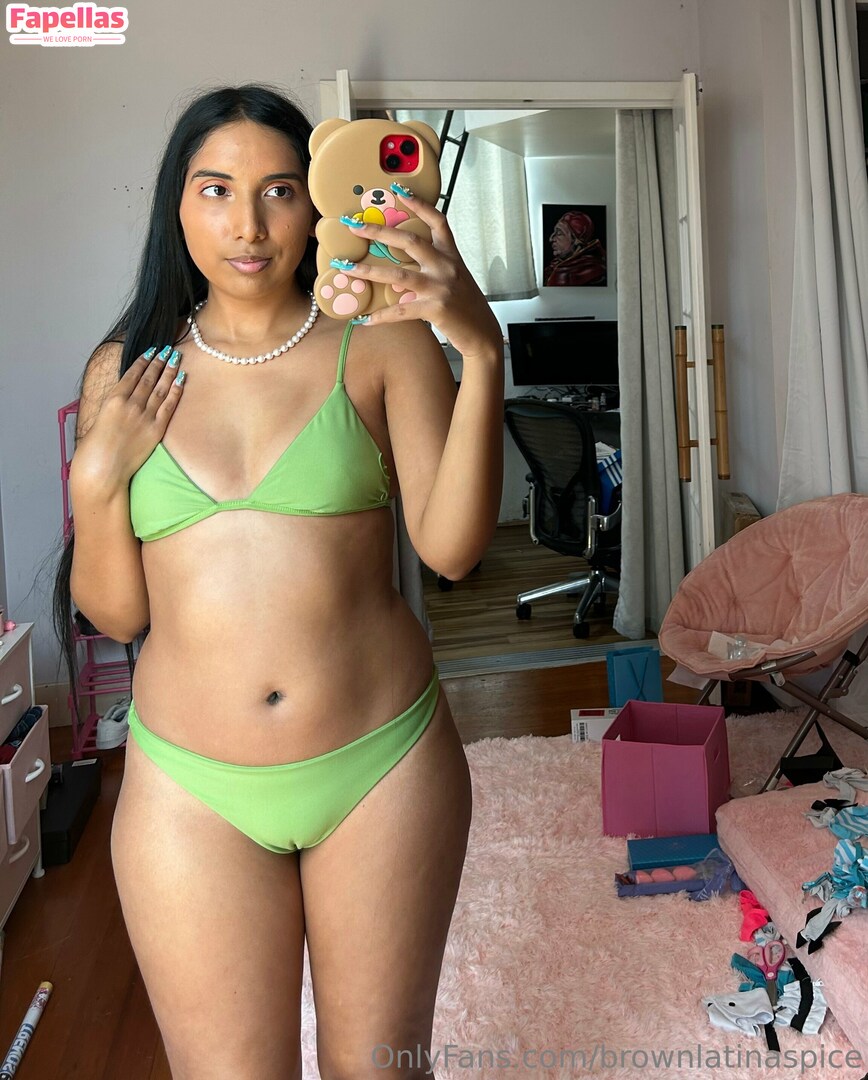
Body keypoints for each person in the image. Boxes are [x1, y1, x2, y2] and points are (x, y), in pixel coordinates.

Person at [60, 85, 503, 1079]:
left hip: (382, 766)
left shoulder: (382, 341)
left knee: (379, 1070)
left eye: (279, 190)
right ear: (177, 206)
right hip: (191, 790)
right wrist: (95, 481)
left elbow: (452, 551)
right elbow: (118, 611)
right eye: (216, 190)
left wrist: (480, 348)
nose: (248, 225)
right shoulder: (126, 372)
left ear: (317, 204)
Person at [543, 209, 606, 287]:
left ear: (578, 241)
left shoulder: (594, 274)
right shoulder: (552, 268)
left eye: (559, 233)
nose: (551, 239)